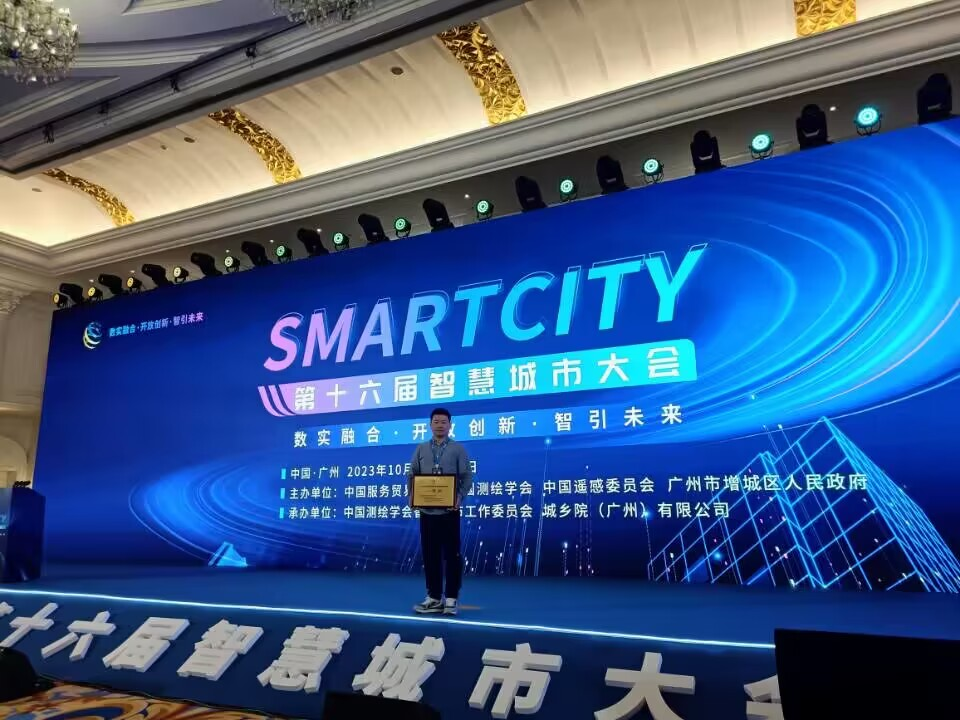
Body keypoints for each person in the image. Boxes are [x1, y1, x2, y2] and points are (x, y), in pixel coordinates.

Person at [407, 407, 473, 615]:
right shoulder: (421, 449)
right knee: (430, 555)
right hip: (427, 512)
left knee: (452, 556)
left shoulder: (457, 449)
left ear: (450, 425)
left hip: (449, 511)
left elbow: (467, 476)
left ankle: (451, 598)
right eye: (436, 422)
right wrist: (412, 495)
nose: (440, 425)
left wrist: (459, 497)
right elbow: (412, 473)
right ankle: (434, 597)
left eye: (444, 422)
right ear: (430, 425)